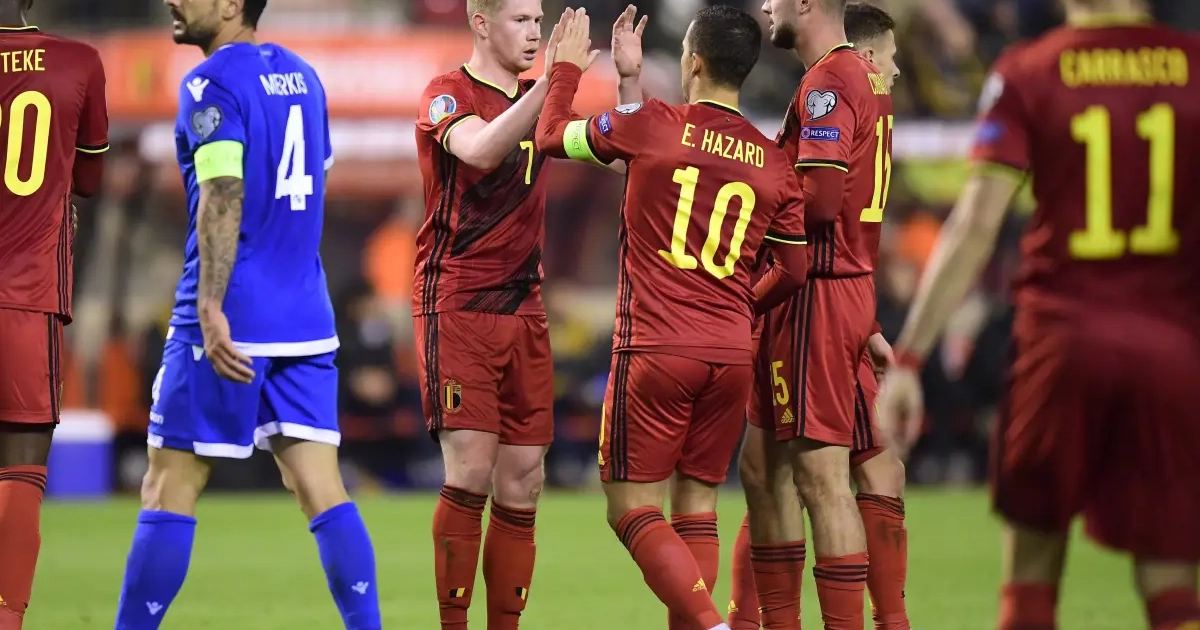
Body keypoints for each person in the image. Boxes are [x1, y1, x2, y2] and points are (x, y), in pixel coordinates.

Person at [875, 1, 1200, 629]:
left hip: (1061, 343)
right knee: (1172, 586)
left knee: (1031, 572)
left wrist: (910, 356)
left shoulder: (1029, 71)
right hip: (1171, 348)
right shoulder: (1193, 68)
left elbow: (976, 224)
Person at [536, 6, 810, 630]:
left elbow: (553, 136)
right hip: (731, 354)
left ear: (693, 62)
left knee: (630, 508)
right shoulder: (773, 163)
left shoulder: (654, 124)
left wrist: (565, 72)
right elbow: (792, 271)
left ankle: (711, 627)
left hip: (655, 349)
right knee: (696, 506)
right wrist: (738, 305)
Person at [112, 2, 381, 629]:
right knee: (322, 489)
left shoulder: (209, 84)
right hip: (306, 317)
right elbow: (308, 186)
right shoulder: (304, 78)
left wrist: (210, 305)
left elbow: (223, 191)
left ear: (234, 4)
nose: (175, 0)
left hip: (231, 314)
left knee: (169, 488)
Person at [413, 1, 638, 627]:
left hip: (525, 306)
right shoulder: (446, 93)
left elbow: (624, 153)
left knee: (525, 480)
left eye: (539, 19)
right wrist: (553, 83)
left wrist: (627, 82)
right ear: (481, 23)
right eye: (520, 20)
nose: (536, 32)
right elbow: (481, 149)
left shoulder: (542, 99)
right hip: (458, 301)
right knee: (471, 471)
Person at [729, 5, 911, 627]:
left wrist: (752, 209)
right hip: (843, 292)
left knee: (819, 478)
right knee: (766, 469)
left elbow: (823, 201)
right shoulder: (861, 78)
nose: (766, 8)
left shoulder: (829, 81)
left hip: (814, 294)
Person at [0, 1, 107, 626]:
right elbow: (88, 179)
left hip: (29, 289)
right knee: (20, 466)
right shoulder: (79, 61)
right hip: (27, 292)